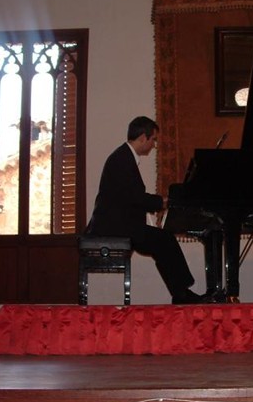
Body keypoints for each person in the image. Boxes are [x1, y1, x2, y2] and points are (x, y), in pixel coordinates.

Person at [85, 116, 204, 304]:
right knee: (163, 239)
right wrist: (161, 202)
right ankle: (182, 293)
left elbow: (132, 197)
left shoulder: (123, 156)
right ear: (142, 137)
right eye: (153, 139)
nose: (154, 144)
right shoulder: (122, 159)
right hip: (113, 227)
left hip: (120, 224)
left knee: (162, 240)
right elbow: (135, 198)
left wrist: (159, 202)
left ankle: (181, 293)